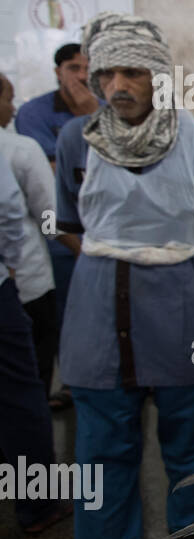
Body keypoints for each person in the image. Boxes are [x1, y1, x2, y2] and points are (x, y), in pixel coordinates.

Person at [55, 13, 194, 539]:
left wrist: (158, 265)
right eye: (106, 73)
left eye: (133, 71)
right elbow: (70, 224)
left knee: (191, 438)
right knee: (101, 449)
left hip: (182, 309)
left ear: (160, 75)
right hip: (97, 314)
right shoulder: (74, 143)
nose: (118, 86)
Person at [15, 42, 96, 409]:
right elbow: (50, 172)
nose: (82, 75)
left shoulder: (104, 109)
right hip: (59, 229)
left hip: (104, 227)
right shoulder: (34, 113)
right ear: (57, 71)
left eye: (87, 68)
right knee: (63, 309)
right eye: (74, 68)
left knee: (110, 308)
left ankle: (115, 377)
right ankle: (73, 383)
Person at [0, 153, 68, 536]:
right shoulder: (20, 148)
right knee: (24, 395)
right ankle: (38, 504)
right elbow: (31, 213)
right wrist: (11, 263)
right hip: (22, 283)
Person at [0, 74, 79, 397]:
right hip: (26, 282)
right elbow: (49, 217)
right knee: (30, 377)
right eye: (8, 99)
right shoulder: (20, 149)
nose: (13, 109)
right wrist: (80, 251)